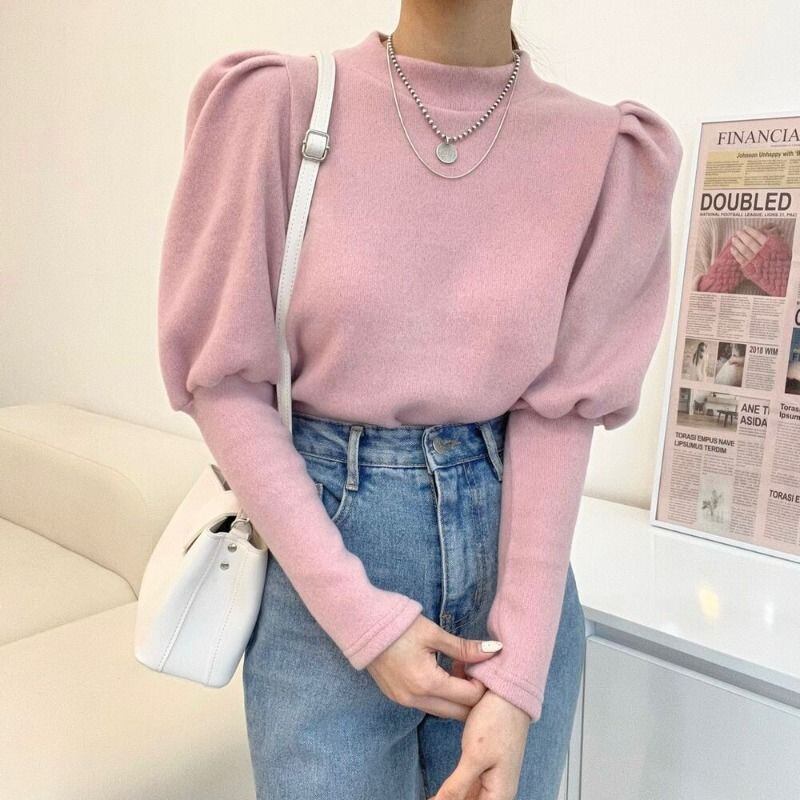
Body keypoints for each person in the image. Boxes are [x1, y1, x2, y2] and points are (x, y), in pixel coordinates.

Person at [157, 3, 683, 799]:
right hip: (323, 570)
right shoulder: (279, 105)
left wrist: (518, 680)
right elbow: (226, 383)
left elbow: (557, 415)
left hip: (516, 596)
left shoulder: (602, 150)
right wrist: (361, 619)